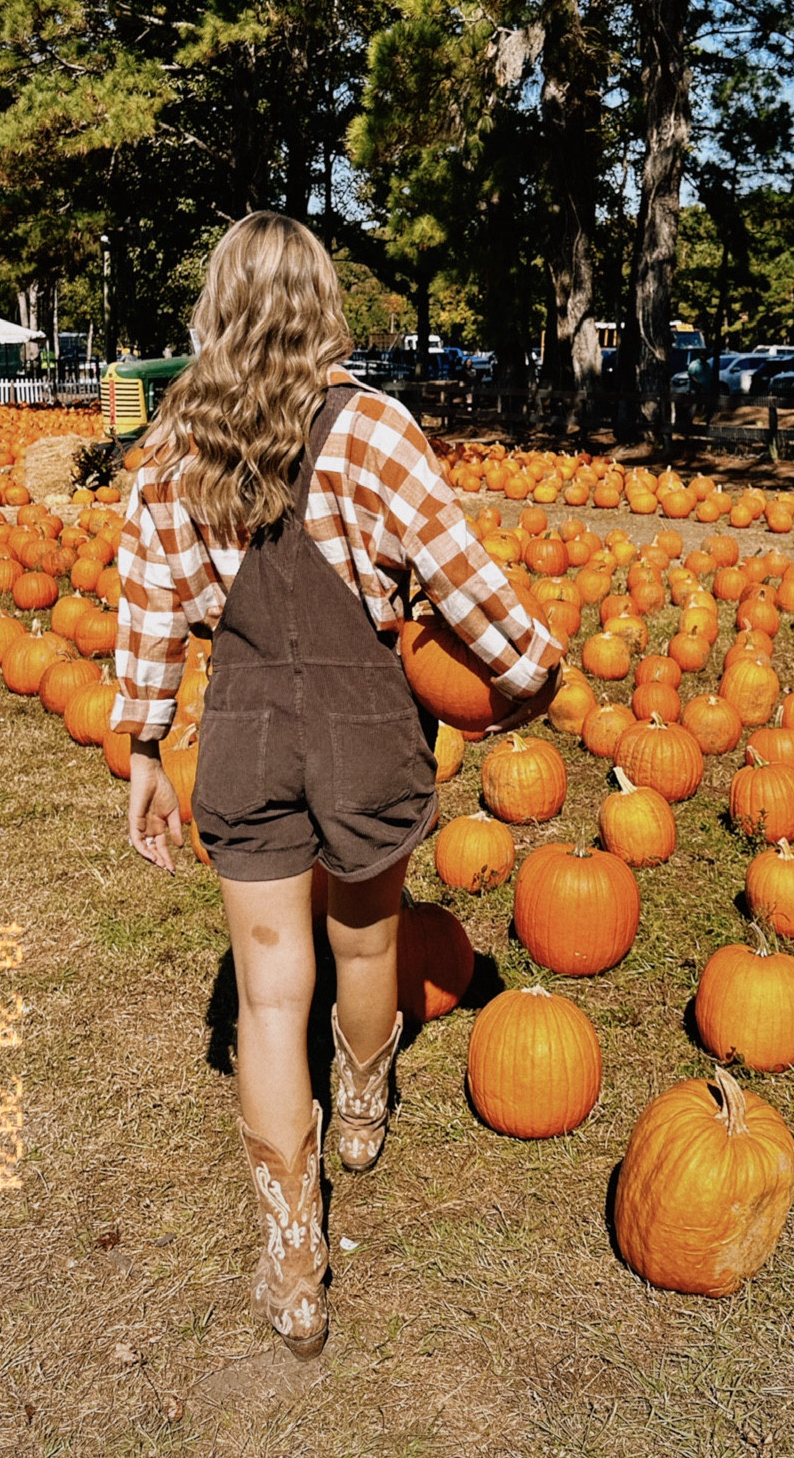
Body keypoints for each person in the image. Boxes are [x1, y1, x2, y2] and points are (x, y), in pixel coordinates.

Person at [112, 212, 561, 1360]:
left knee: (268, 994)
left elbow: (151, 612)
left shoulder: (169, 454)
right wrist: (522, 675)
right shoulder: (370, 430)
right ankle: (360, 1109)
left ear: (213, 311)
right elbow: (462, 575)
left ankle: (290, 1259)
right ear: (321, 306)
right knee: (366, 945)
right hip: (367, 728)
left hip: (247, 727)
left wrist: (148, 746)